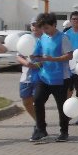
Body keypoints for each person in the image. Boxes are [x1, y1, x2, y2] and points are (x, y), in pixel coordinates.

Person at [30, 11, 74, 142]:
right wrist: (34, 57)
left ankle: (64, 132)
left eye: (47, 28)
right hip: (44, 77)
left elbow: (69, 55)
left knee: (62, 106)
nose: (45, 31)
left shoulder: (63, 37)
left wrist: (52, 59)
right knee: (37, 100)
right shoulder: (42, 38)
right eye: (43, 28)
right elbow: (37, 55)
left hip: (61, 79)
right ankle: (41, 129)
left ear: (54, 25)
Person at [16, 21, 42, 121]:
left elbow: (50, 56)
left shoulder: (46, 40)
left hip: (41, 77)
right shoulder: (25, 39)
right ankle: (38, 121)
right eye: (33, 25)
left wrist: (39, 63)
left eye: (38, 25)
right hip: (26, 77)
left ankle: (39, 125)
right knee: (26, 102)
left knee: (38, 101)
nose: (35, 27)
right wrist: (26, 63)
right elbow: (19, 56)